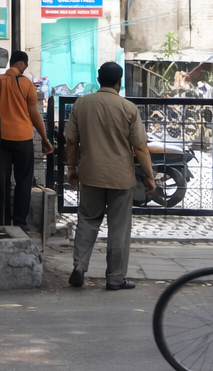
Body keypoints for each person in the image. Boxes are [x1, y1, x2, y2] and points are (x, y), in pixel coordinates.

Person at [65, 61, 156, 290]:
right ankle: (115, 278)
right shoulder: (128, 108)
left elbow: (71, 141)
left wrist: (71, 168)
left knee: (87, 220)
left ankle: (79, 266)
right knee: (118, 227)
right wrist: (150, 176)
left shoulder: (81, 104)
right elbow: (140, 148)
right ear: (120, 81)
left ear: (98, 79)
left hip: (91, 174)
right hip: (121, 177)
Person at [0, 50, 51, 229]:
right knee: (24, 181)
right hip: (23, 139)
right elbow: (34, 116)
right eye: (25, 65)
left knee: (2, 182)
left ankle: (4, 221)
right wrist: (45, 139)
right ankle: (20, 223)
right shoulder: (27, 85)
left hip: (1, 139)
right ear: (21, 64)